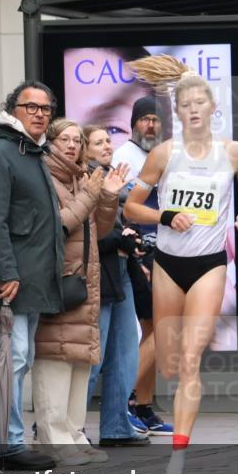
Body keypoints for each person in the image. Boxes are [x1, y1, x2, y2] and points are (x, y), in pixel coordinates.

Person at [124, 55, 238, 474]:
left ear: (212, 107)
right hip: (168, 263)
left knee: (189, 359)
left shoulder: (233, 152)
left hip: (209, 265)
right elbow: (131, 207)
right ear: (177, 110)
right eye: (185, 104)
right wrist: (165, 216)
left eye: (200, 103)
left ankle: (177, 463)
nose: (193, 110)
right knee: (168, 361)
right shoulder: (165, 154)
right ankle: (134, 404)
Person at [0, 81, 63, 471]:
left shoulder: (31, 152)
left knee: (20, 359)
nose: (40, 113)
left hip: (32, 278)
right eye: (31, 106)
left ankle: (10, 439)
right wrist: (6, 272)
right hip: (12, 280)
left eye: (46, 108)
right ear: (14, 109)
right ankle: (6, 444)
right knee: (15, 357)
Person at [31, 118, 129, 466]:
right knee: (55, 360)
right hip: (59, 283)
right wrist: (92, 193)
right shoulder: (44, 177)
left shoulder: (80, 178)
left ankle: (73, 433)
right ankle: (52, 438)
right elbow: (61, 224)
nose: (72, 145)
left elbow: (98, 232)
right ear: (51, 143)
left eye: (76, 140)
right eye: (65, 139)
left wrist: (109, 197)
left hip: (84, 282)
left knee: (78, 362)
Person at [82, 125, 151, 446]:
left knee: (125, 355)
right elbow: (88, 229)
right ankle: (68, 427)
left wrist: (131, 240)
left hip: (121, 271)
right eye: (98, 142)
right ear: (85, 150)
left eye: (108, 140)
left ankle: (115, 426)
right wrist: (119, 239)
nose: (107, 145)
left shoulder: (115, 179)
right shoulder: (85, 179)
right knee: (93, 358)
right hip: (99, 273)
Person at [114, 96, 174, 436]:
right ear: (133, 122)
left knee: (154, 331)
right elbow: (123, 206)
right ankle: (123, 401)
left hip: (158, 249)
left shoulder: (157, 155)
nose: (150, 125)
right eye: (145, 119)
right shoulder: (125, 157)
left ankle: (143, 404)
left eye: (155, 119)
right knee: (158, 331)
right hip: (140, 251)